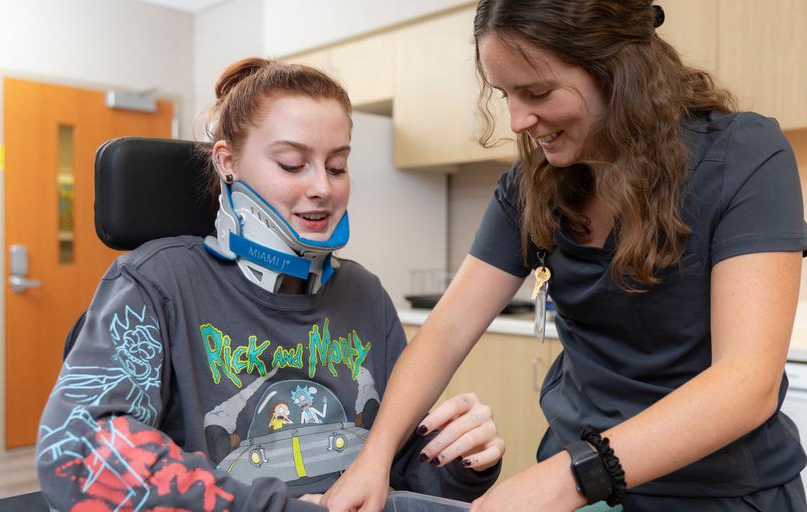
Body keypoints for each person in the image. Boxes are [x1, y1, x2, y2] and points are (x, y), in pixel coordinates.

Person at [323, 1, 807, 511]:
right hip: (583, 487)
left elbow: (745, 383)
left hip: (715, 494)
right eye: (505, 94)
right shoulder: (531, 186)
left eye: (536, 92)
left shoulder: (744, 156)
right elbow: (447, 329)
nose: (517, 120)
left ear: (616, 72)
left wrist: (569, 478)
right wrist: (374, 458)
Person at [35, 57, 504, 512]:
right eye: (292, 164)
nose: (322, 186)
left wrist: (459, 461)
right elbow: (78, 455)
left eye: (337, 166)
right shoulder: (155, 283)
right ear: (227, 164)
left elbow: (391, 473)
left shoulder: (366, 295)